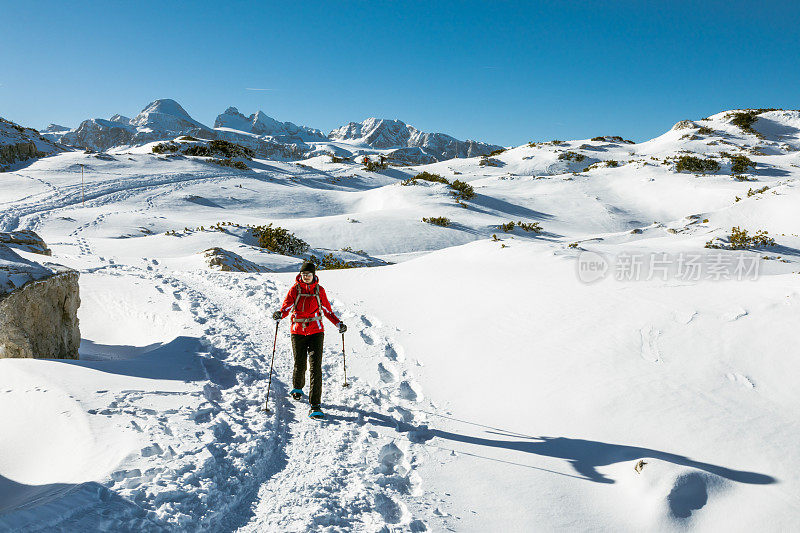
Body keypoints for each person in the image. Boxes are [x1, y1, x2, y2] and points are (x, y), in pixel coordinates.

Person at [272, 260, 346, 419]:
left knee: (315, 367)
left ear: (314, 275)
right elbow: (286, 307)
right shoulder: (295, 289)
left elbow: (327, 310)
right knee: (300, 363)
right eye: (304, 274)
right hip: (297, 331)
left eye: (308, 274)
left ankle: (315, 405)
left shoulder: (320, 290)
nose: (306, 277)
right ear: (301, 274)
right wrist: (279, 313)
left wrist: (338, 323)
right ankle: (297, 388)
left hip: (316, 332)